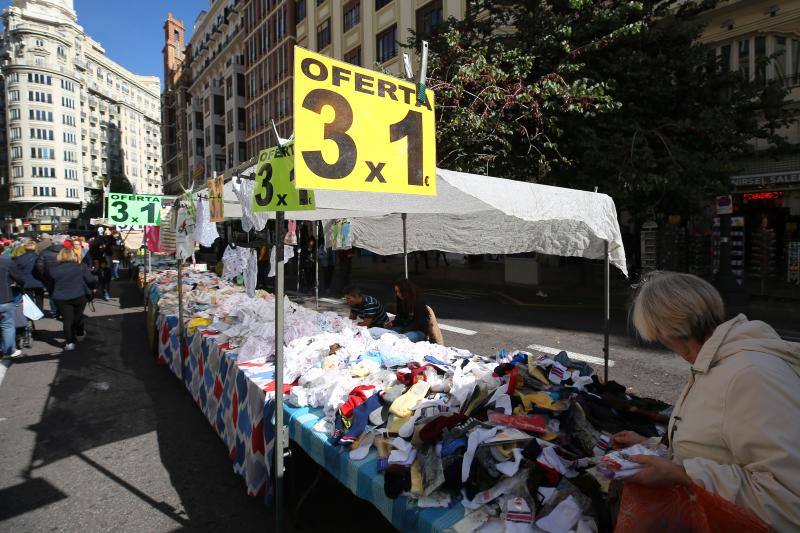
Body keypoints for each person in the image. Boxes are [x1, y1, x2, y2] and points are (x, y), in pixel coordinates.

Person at [614, 271, 800, 530]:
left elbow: (789, 500)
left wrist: (682, 474)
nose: (662, 343)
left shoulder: (750, 375)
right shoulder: (715, 363)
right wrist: (655, 448)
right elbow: (717, 444)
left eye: (658, 335)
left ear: (669, 328)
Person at [49, 247, 96, 351]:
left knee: (67, 319)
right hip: (79, 295)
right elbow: (90, 280)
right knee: (78, 316)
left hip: (61, 297)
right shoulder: (80, 267)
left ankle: (70, 342)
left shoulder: (53, 269)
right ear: (73, 255)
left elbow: (50, 284)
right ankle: (79, 333)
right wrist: (93, 288)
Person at [0, 245, 24, 358]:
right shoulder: (6, 262)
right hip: (4, 298)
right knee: (7, 325)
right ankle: (9, 350)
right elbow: (19, 279)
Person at [14, 242, 44, 312]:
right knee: (39, 297)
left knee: (29, 298)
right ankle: (39, 311)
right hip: (38, 280)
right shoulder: (39, 257)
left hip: (26, 281)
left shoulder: (19, 258)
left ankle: (32, 312)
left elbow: (17, 270)